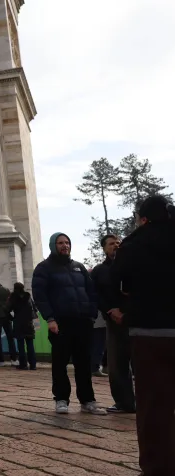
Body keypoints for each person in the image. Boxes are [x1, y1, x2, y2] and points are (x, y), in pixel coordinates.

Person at [111, 195, 175, 475]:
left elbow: (117, 282)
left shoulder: (134, 244)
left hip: (149, 332)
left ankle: (157, 466)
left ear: (143, 218)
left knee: (152, 403)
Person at [32, 232, 107, 415]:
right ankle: (61, 399)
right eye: (60, 243)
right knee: (60, 363)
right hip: (60, 323)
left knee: (84, 362)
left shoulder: (79, 267)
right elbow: (40, 296)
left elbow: (91, 292)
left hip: (82, 322)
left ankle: (87, 400)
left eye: (67, 242)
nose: (65, 245)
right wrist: (50, 318)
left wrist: (91, 313)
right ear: (53, 245)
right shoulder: (44, 268)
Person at [91, 233, 135, 413]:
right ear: (104, 248)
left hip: (135, 319)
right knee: (117, 365)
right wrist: (111, 310)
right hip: (114, 321)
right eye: (111, 243)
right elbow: (95, 295)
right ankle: (124, 402)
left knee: (142, 363)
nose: (115, 245)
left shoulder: (132, 266)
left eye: (117, 242)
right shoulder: (99, 271)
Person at [6, 282, 37, 370]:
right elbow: (34, 308)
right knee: (30, 344)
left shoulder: (13, 297)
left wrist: (11, 318)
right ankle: (33, 365)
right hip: (29, 323)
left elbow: (6, 309)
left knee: (20, 345)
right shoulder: (28, 296)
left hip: (18, 322)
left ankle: (23, 364)